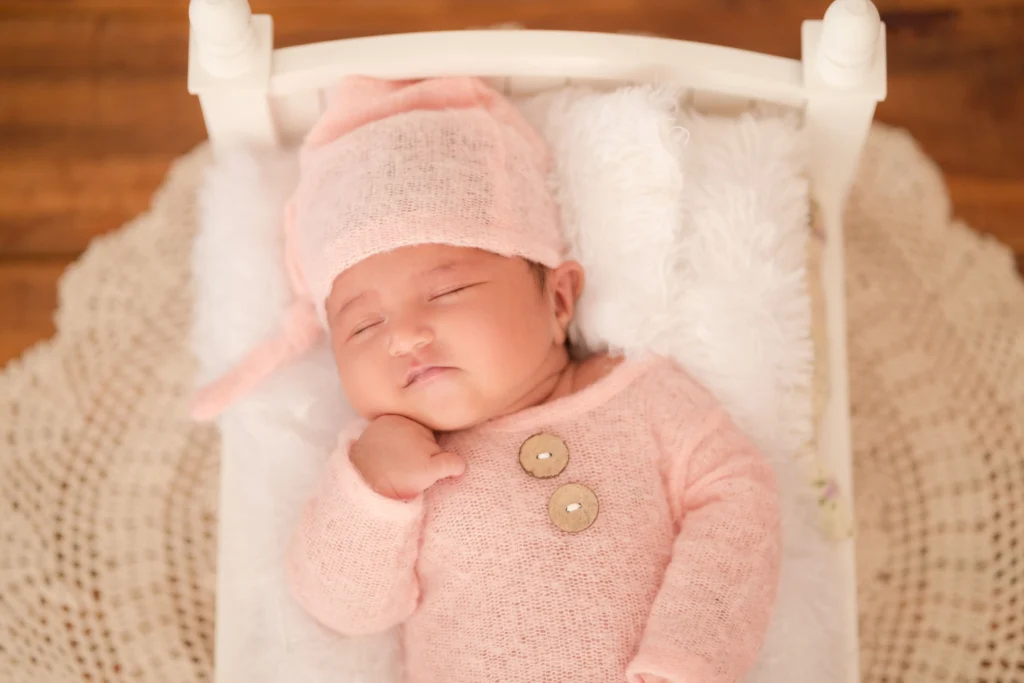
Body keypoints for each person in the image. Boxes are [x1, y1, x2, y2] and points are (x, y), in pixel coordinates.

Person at [192, 75, 781, 683]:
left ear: (557, 300)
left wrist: (690, 658)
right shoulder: (388, 467)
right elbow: (343, 609)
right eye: (363, 326)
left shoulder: (642, 397)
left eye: (447, 291)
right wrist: (370, 491)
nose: (403, 336)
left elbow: (740, 500)